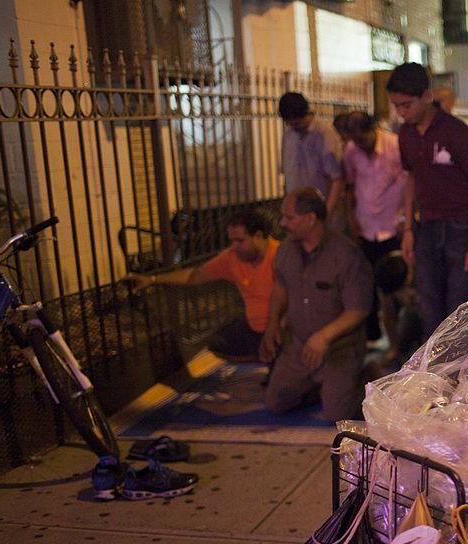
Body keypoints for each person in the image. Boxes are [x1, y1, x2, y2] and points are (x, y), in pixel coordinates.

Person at [386, 62, 468, 338]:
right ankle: (432, 378)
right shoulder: (406, 134)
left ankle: (459, 376)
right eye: (396, 106)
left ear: (427, 96)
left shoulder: (454, 131)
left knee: (459, 312)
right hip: (427, 227)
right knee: (429, 309)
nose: (401, 112)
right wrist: (409, 228)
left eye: (406, 105)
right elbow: (411, 178)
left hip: (462, 228)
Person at [260, 188, 372, 422]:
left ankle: (364, 377)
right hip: (299, 345)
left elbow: (358, 309)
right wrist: (272, 326)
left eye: (289, 217)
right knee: (275, 402)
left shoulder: (346, 255)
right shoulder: (285, 251)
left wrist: (324, 336)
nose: (282, 223)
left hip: (338, 349)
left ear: (310, 219)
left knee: (337, 415)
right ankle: (318, 386)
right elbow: (280, 288)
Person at [128, 209, 278, 361]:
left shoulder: (282, 256)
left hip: (285, 329)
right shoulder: (232, 258)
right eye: (231, 241)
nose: (234, 246)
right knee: (220, 342)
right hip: (257, 327)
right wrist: (153, 279)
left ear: (258, 236)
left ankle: (273, 360)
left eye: (240, 241)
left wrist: (274, 332)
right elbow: (195, 276)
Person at [341, 111, 408, 346]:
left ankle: (401, 338)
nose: (360, 145)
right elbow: (349, 186)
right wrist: (351, 218)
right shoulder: (351, 151)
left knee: (395, 287)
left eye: (363, 139)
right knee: (366, 282)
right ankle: (372, 336)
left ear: (373, 130)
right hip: (366, 227)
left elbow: (410, 182)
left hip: (393, 226)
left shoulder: (394, 146)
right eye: (355, 140)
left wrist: (406, 219)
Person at [278, 92, 344, 223]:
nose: (294, 126)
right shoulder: (288, 134)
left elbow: (337, 178)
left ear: (306, 113)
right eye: (290, 123)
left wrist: (326, 213)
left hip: (320, 211)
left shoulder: (324, 133)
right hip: (296, 213)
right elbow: (287, 173)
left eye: (297, 122)